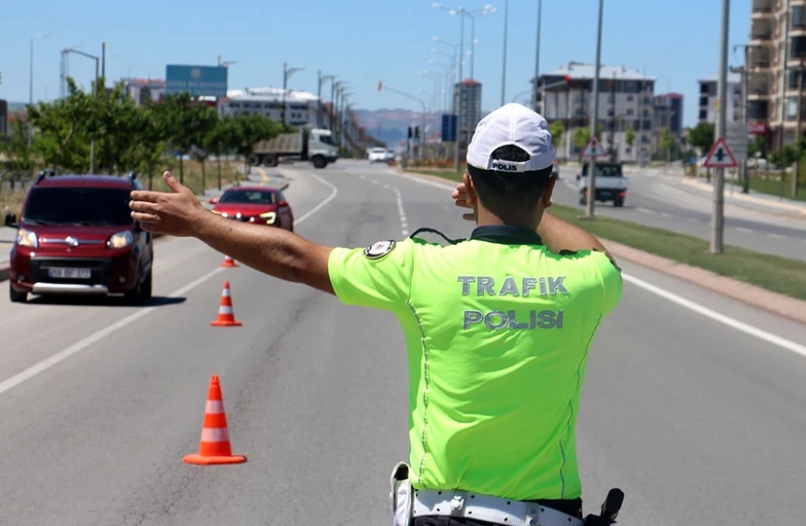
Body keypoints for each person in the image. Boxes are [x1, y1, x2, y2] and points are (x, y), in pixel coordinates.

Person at [128, 103, 623, 526]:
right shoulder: (585, 281)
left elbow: (298, 260)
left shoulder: (420, 267)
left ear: (467, 181)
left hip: (442, 514)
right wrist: (522, 206)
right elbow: (596, 253)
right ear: (550, 189)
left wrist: (200, 222)